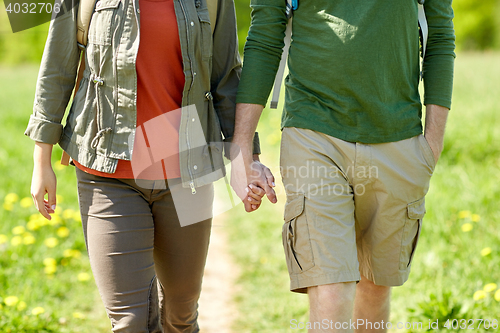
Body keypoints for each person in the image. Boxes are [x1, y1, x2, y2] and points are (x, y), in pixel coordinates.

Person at [25, 0, 260, 331]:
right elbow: (57, 65)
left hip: (187, 173)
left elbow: (226, 78)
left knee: (180, 315)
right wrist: (42, 159)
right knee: (130, 321)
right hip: (108, 171)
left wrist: (247, 158)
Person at [231, 0, 455, 331]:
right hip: (314, 132)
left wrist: (431, 146)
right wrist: (242, 149)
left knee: (374, 290)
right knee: (331, 291)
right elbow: (265, 35)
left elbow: (440, 35)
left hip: (398, 137)